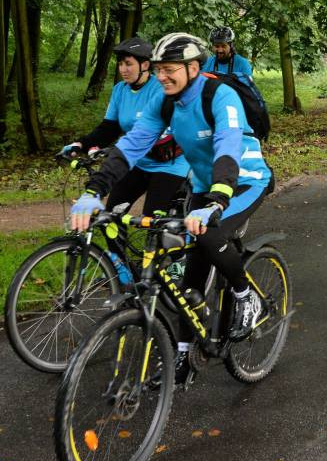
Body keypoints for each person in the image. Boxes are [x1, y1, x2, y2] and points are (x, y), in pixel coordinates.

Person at [69, 33, 274, 382]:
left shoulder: (219, 96)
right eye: (159, 69)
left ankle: (246, 295)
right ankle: (183, 355)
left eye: (170, 70)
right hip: (203, 186)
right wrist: (94, 191)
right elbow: (131, 145)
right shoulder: (166, 102)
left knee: (208, 231)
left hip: (244, 181)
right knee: (190, 279)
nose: (162, 76)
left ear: (193, 68)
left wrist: (217, 200)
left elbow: (227, 147)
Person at [60, 37, 189, 216]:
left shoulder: (160, 90)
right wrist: (81, 144)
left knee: (153, 221)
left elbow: (164, 135)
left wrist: (117, 150)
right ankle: (115, 246)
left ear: (144, 65)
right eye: (120, 64)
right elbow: (109, 127)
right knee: (111, 214)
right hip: (137, 161)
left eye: (128, 64)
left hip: (168, 165)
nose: (123, 69)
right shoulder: (120, 89)